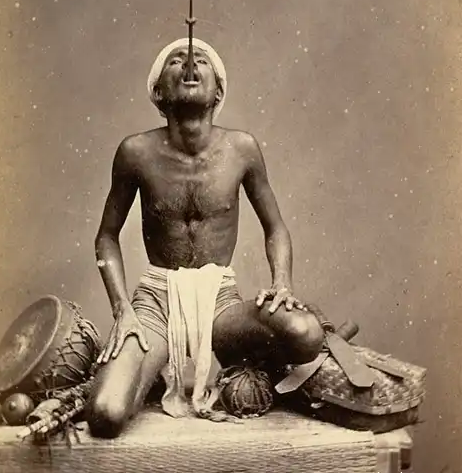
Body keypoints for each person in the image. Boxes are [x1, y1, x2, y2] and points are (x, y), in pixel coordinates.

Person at [85, 37, 325, 438]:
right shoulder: (135, 152)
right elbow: (106, 237)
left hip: (221, 304)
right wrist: (122, 309)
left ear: (218, 92)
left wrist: (282, 283)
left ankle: (239, 359)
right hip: (156, 302)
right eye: (176, 60)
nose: (190, 65)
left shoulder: (242, 148)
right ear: (159, 92)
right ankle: (151, 368)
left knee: (307, 333)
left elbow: (276, 227)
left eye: (201, 61)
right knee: (105, 413)